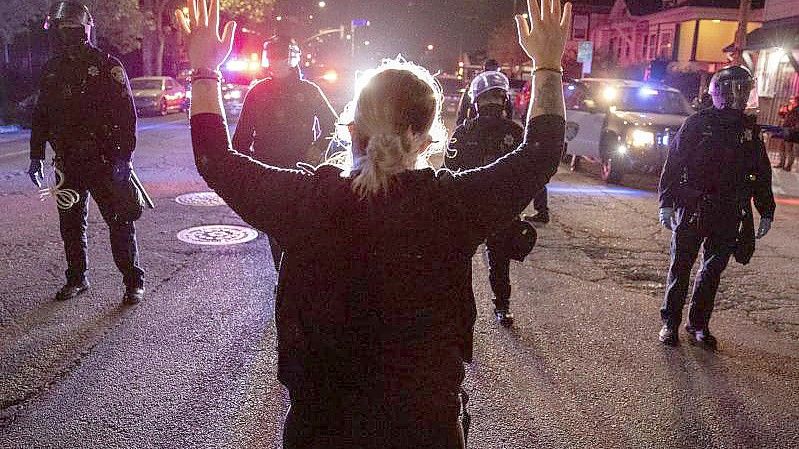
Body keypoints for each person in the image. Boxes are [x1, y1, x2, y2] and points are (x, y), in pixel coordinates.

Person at [177, 0, 571, 446]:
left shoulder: (309, 202)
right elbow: (540, 152)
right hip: (425, 426)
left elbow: (215, 159)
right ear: (426, 138)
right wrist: (547, 64)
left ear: (350, 128)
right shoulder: (450, 206)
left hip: (322, 426)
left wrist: (204, 70)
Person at [27, 1, 145, 304]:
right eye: (60, 29)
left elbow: (126, 115)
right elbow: (41, 115)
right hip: (67, 163)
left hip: (105, 162)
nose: (64, 35)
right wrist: (35, 155)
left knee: (119, 222)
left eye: (70, 29)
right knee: (70, 225)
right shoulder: (52, 69)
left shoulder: (107, 65)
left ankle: (133, 281)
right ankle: (77, 279)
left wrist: (125, 159)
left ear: (83, 30)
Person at [657, 65, 775, 347]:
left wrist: (765, 209)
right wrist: (667, 203)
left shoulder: (748, 130)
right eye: (736, 89)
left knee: (712, 270)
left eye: (745, 89)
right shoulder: (699, 123)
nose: (741, 95)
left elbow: (760, 171)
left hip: (730, 209)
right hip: (695, 204)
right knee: (681, 267)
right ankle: (670, 323)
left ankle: (698, 324)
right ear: (720, 91)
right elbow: (674, 162)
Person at [232, 34, 338, 270]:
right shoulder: (257, 92)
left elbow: (332, 124)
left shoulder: (309, 90)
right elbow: (241, 139)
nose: (276, 62)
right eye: (271, 57)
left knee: (302, 227)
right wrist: (244, 173)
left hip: (302, 171)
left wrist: (317, 148)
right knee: (277, 229)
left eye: (280, 57)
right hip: (267, 172)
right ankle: (285, 277)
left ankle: (297, 277)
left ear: (291, 59)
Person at [446, 70, 525, 326]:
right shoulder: (513, 131)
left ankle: (459, 312)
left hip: (471, 208)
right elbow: (527, 173)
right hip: (498, 209)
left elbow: (449, 168)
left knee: (462, 260)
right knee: (497, 262)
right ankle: (501, 306)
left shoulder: (464, 131)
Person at [455, 58, 515, 126]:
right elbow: (464, 105)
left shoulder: (500, 87)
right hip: (476, 123)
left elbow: (508, 106)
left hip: (497, 124)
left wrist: (509, 125)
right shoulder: (476, 84)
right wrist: (462, 126)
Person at [773, 95, 799, 171]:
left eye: (793, 99)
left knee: (789, 148)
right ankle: (782, 163)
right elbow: (783, 115)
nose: (791, 100)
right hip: (787, 129)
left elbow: (794, 119)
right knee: (782, 146)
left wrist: (795, 127)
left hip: (792, 130)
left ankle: (788, 166)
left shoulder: (796, 109)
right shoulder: (792, 108)